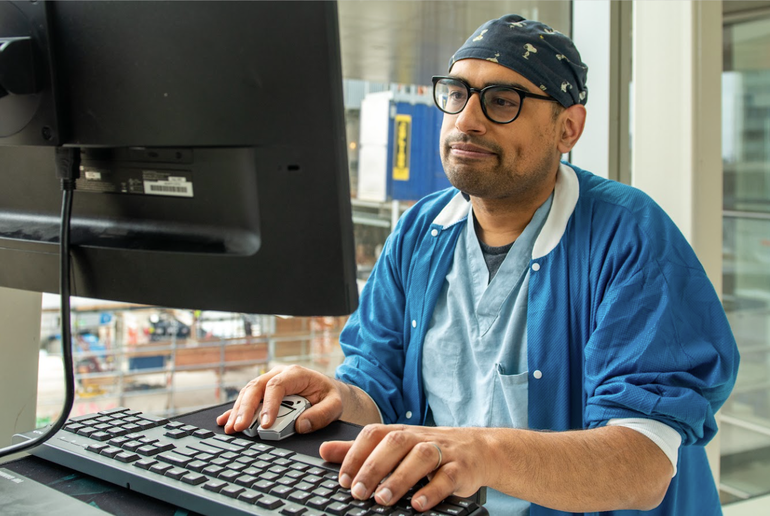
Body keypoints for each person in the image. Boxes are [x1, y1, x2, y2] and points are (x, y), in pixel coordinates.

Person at [217, 14, 739, 515]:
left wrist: (484, 453)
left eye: (503, 102)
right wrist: (338, 397)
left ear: (568, 129)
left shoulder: (629, 237)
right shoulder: (421, 230)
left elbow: (642, 463)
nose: (467, 120)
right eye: (457, 94)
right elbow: (379, 388)